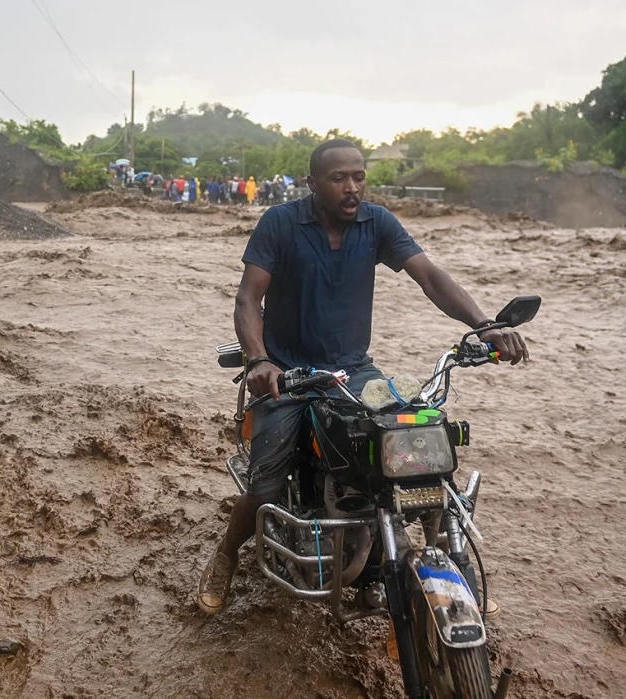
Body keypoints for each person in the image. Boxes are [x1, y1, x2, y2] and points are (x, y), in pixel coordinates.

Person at [196, 139, 529, 615]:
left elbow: (429, 276)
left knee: (414, 449)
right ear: (313, 184)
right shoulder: (281, 224)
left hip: (353, 370)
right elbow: (248, 299)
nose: (351, 188)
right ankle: (226, 557)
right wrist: (257, 360)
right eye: (338, 179)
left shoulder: (377, 223)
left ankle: (454, 565)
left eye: (359, 177)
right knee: (265, 480)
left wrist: (485, 325)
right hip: (287, 373)